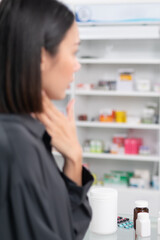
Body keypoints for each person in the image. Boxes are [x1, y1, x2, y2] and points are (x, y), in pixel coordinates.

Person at [0, 0, 93, 239]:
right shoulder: (17, 147)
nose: (77, 64)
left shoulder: (25, 134)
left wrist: (74, 158)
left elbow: (64, 229)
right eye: (73, 51)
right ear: (41, 57)